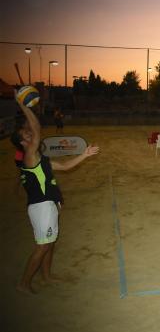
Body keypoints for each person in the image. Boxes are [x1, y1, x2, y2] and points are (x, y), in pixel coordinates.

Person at [11, 92, 99, 294]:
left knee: (50, 243)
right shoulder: (29, 156)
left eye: (28, 133)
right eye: (26, 134)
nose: (30, 134)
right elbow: (37, 127)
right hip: (42, 207)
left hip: (47, 205)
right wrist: (23, 105)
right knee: (43, 246)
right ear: (23, 143)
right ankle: (23, 283)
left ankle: (47, 276)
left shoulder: (40, 160)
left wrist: (84, 155)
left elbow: (66, 166)